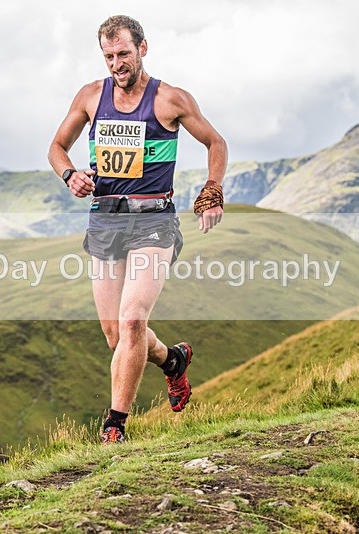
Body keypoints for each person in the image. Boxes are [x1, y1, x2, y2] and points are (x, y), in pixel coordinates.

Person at [48, 15, 227, 444]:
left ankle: (114, 428)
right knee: (116, 335)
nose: (116, 64)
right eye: (109, 56)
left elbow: (215, 143)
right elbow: (56, 147)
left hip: (154, 219)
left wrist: (213, 189)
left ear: (143, 49)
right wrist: (70, 175)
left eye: (123, 54)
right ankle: (172, 361)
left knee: (132, 321)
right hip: (106, 219)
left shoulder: (171, 99)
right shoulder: (91, 96)